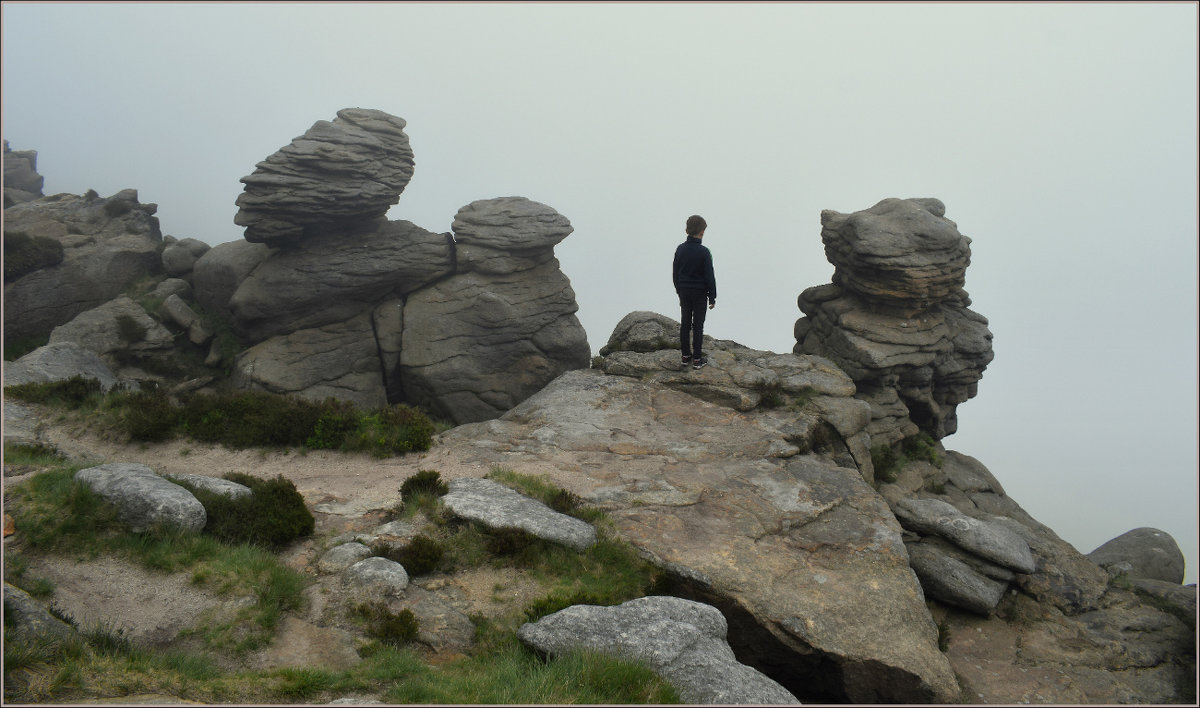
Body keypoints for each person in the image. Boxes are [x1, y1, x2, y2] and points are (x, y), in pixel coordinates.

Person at [672, 214, 716, 370]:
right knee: (698, 325)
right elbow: (709, 276)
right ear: (702, 232)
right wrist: (712, 297)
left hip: (684, 291)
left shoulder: (680, 249)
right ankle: (697, 359)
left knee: (685, 323)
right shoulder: (704, 252)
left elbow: (675, 273)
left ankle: (685, 356)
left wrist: (679, 290)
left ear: (686, 230)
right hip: (699, 293)